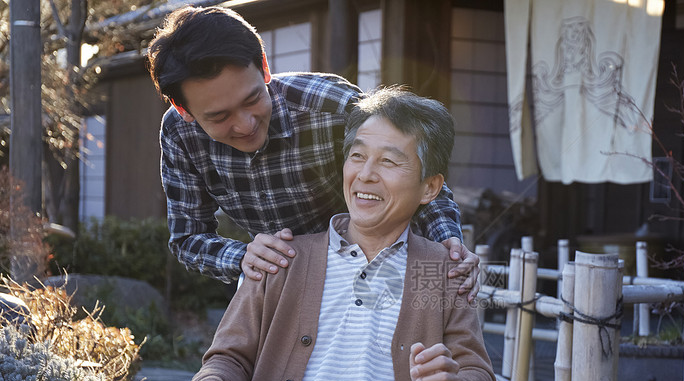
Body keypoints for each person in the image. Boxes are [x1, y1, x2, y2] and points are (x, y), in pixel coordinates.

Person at [166, 86, 496, 381]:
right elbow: (227, 358)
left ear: (429, 188)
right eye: (357, 156)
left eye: (390, 161)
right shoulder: (286, 258)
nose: (365, 174)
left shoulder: (433, 272)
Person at [146, 5, 478, 295]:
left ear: (263, 65)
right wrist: (244, 256)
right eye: (219, 117)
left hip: (385, 273)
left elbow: (416, 171)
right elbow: (188, 238)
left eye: (252, 100)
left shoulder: (331, 106)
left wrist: (448, 243)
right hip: (284, 285)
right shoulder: (179, 133)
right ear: (183, 108)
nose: (245, 124)